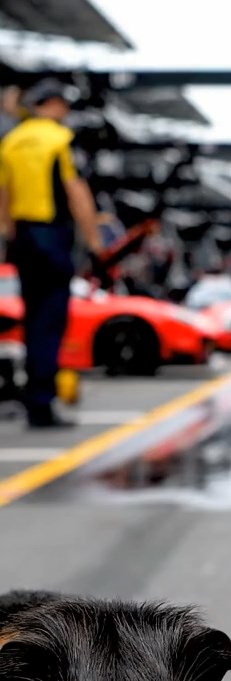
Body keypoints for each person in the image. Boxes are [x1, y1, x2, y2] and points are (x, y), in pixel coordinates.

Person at [0, 78, 104, 427]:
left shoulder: (11, 142)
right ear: (53, 105)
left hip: (24, 238)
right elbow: (76, 191)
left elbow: (3, 196)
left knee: (32, 322)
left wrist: (10, 237)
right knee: (51, 321)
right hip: (53, 237)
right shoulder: (60, 140)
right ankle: (43, 403)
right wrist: (94, 241)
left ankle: (35, 399)